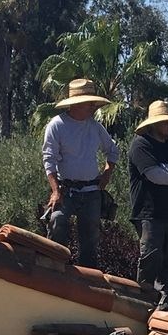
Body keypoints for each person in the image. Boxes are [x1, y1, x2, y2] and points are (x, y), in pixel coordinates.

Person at [41, 78, 119, 270]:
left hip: (91, 190)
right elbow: (48, 158)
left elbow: (113, 150)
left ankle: (87, 278)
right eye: (89, 103)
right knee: (57, 221)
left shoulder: (95, 127)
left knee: (90, 235)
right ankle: (54, 268)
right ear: (77, 104)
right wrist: (55, 190)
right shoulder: (56, 125)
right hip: (65, 188)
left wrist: (107, 174)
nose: (93, 107)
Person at [127, 99, 168, 305]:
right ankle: (144, 300)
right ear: (153, 123)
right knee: (151, 258)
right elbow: (153, 175)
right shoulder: (141, 145)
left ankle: (166, 302)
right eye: (164, 122)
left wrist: (167, 170)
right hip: (148, 213)